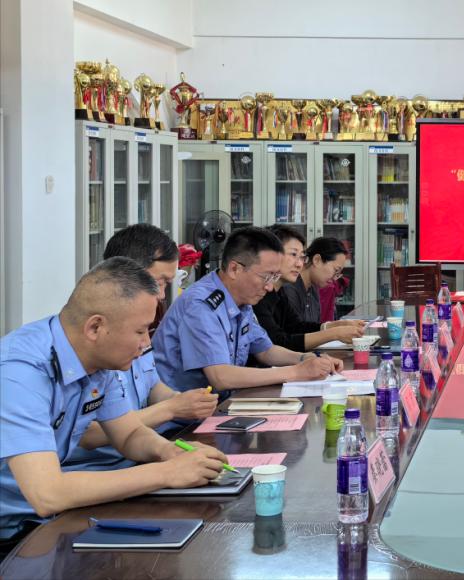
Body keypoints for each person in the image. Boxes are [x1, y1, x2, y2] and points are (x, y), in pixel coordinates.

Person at [0, 258, 229, 555]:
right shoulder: (19, 372)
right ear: (95, 327)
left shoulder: (99, 361)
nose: (145, 344)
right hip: (12, 534)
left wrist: (169, 452)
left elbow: (129, 434)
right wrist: (167, 473)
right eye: (140, 331)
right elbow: (48, 493)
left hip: (47, 522)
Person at [64, 225, 219, 472]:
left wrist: (180, 408)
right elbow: (87, 435)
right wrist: (171, 410)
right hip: (94, 469)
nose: (161, 295)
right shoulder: (93, 345)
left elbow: (131, 422)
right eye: (159, 282)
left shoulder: (125, 333)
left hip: (132, 459)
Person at [153, 226, 343, 393]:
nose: (270, 287)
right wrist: (295, 372)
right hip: (183, 417)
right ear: (234, 269)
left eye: (275, 277)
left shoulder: (241, 300)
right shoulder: (201, 305)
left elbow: (265, 350)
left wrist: (306, 358)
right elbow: (221, 376)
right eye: (266, 277)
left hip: (217, 407)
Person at [254, 225, 365, 351]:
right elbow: (277, 342)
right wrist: (334, 333)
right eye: (293, 254)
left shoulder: (280, 291)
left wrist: (334, 326)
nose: (299, 264)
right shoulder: (259, 295)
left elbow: (296, 327)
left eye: (301, 257)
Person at [280, 236, 350, 328]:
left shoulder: (313, 289)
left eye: (338, 274)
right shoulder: (289, 289)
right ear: (317, 260)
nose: (334, 279)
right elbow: (294, 333)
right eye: (336, 270)